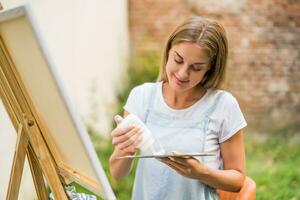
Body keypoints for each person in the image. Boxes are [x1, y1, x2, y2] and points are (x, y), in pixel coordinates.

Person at [109, 16, 246, 200]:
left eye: (196, 68)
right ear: (168, 51)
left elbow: (238, 181)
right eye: (178, 60)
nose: (183, 74)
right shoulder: (141, 97)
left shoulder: (223, 105)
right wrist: (126, 149)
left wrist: (200, 173)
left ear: (210, 69)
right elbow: (117, 174)